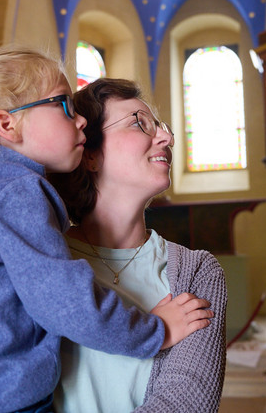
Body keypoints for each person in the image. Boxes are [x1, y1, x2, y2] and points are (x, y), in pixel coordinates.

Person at [0, 47, 212, 413]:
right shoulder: (17, 191)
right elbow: (68, 303)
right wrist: (155, 331)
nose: (79, 120)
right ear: (7, 125)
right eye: (64, 105)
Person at [48, 78, 228, 412]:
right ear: (90, 154)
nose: (167, 138)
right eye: (139, 123)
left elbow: (186, 402)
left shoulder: (197, 272)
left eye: (161, 127)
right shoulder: (44, 262)